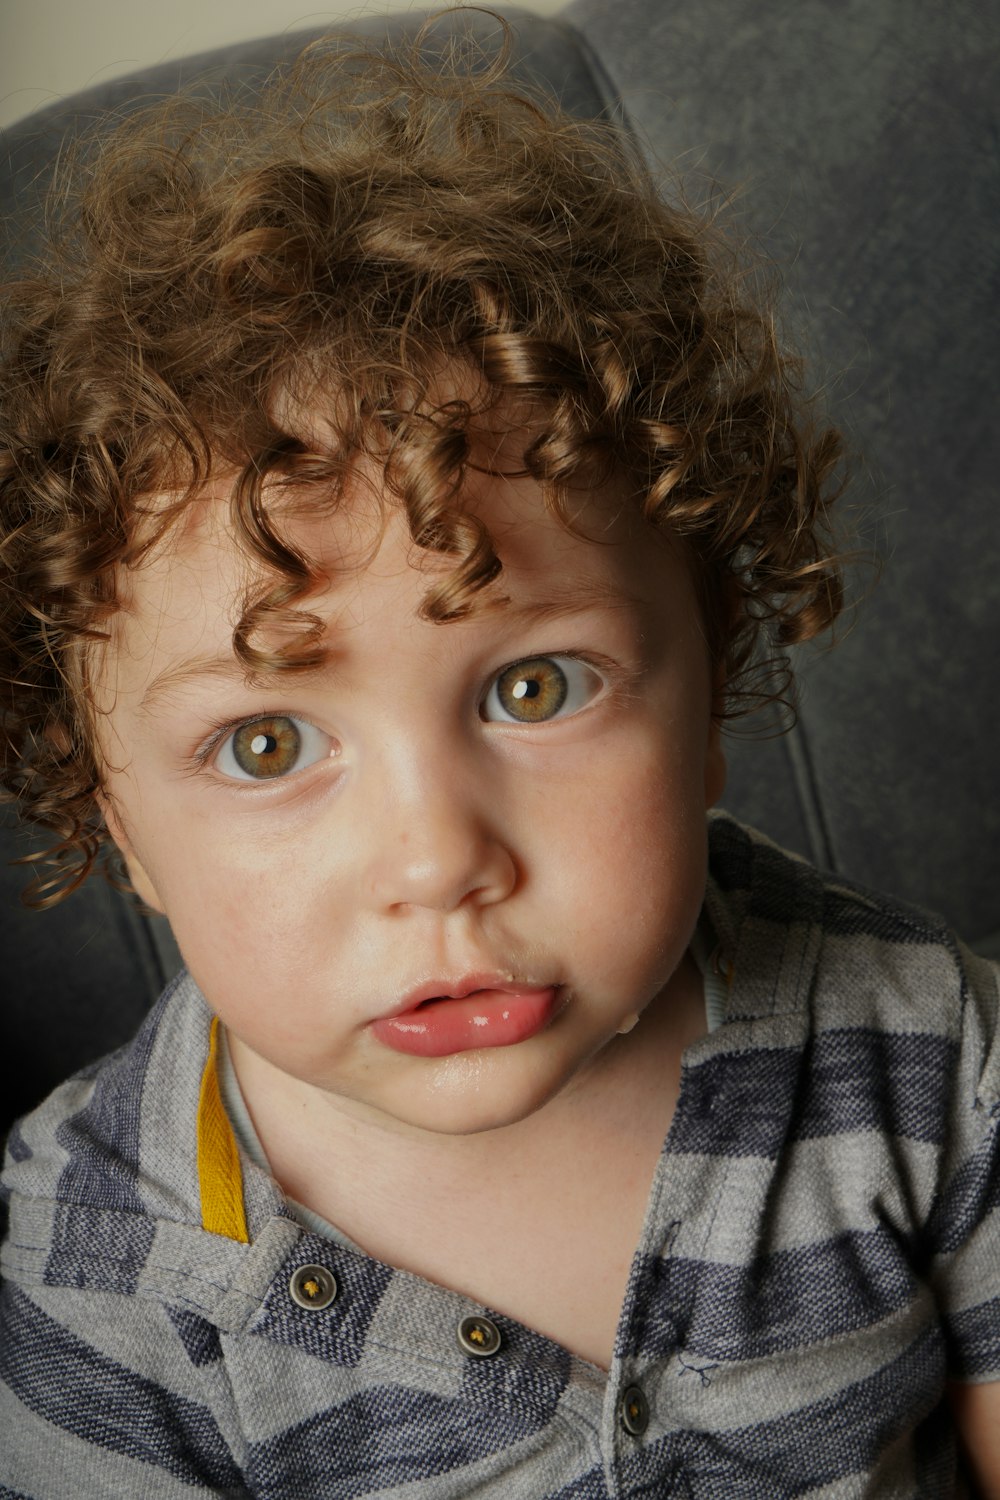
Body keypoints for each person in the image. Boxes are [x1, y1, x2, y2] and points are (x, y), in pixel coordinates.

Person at [1, 18, 997, 1497]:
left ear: (714, 679)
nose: (437, 857)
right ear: (114, 819)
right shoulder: (97, 1267)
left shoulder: (930, 1061)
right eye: (267, 740)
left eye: (535, 686)